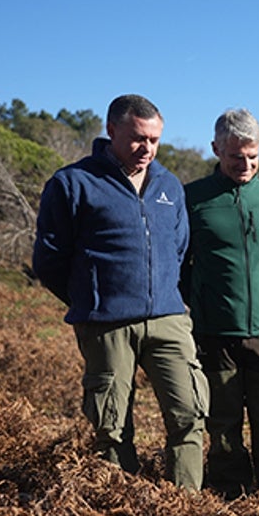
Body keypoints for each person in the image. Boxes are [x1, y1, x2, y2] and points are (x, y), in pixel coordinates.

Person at [33, 94, 207, 490]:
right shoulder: (73, 183)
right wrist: (92, 299)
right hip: (105, 325)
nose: (147, 148)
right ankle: (121, 510)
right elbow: (50, 260)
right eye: (137, 138)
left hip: (168, 319)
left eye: (155, 140)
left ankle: (187, 511)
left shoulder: (169, 186)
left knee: (190, 414)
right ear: (111, 130)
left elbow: (178, 249)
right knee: (111, 426)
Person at [182, 109, 259, 498]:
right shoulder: (193, 199)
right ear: (216, 149)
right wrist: (203, 303)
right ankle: (230, 495)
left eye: (252, 156)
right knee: (223, 423)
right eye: (235, 157)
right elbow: (180, 262)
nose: (245, 165)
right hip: (214, 335)